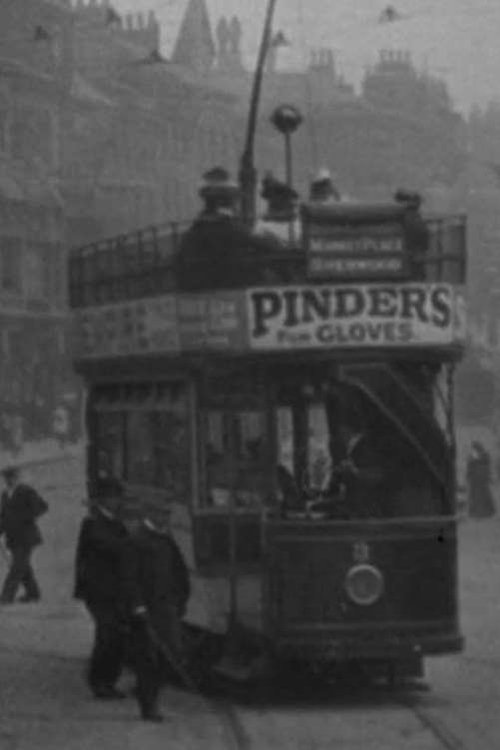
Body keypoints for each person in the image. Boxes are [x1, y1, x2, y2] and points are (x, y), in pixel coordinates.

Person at [123, 505, 191, 722]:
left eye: (167, 513)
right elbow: (129, 577)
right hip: (147, 609)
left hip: (167, 607)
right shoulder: (136, 540)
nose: (167, 517)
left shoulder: (166, 540)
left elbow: (179, 572)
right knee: (148, 657)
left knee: (173, 653)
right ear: (150, 514)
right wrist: (137, 605)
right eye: (163, 513)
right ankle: (148, 705)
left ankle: (147, 691)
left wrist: (181, 600)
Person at [73, 477, 130, 699]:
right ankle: (99, 681)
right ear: (103, 500)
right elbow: (107, 547)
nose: (118, 502)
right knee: (107, 635)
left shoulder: (116, 523)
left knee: (115, 636)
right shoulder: (93, 524)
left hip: (114, 591)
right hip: (98, 591)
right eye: (114, 498)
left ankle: (107, 681)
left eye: (118, 497)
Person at [0, 466, 48, 604]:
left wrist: (25, 517)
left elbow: (42, 507)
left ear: (17, 478)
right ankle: (33, 594)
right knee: (23, 567)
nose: (9, 480)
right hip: (13, 538)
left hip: (27, 537)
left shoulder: (26, 491)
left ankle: (6, 597)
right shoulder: (5, 495)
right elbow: (3, 517)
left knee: (17, 567)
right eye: (6, 477)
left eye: (12, 477)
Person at [466, 441, 496, 518]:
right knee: (474, 498)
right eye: (472, 450)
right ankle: (475, 513)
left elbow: (486, 470)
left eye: (473, 450)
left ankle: (487, 513)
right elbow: (469, 470)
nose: (472, 452)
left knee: (484, 497)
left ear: (477, 450)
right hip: (474, 483)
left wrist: (487, 477)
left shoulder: (484, 459)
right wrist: (469, 476)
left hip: (482, 483)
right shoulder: (471, 459)